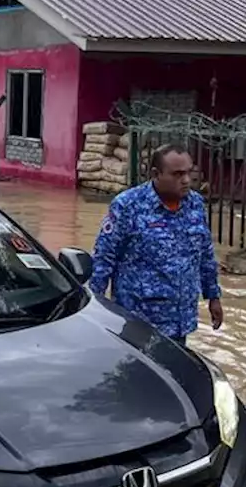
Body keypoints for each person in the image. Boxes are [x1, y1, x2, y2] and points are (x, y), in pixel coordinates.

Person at [89, 143, 224, 347]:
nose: (186, 180)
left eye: (189, 172)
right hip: (139, 322)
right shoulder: (127, 206)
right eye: (177, 174)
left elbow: (205, 253)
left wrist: (213, 296)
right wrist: (93, 311)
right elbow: (104, 259)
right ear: (155, 174)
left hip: (180, 320)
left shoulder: (195, 204)